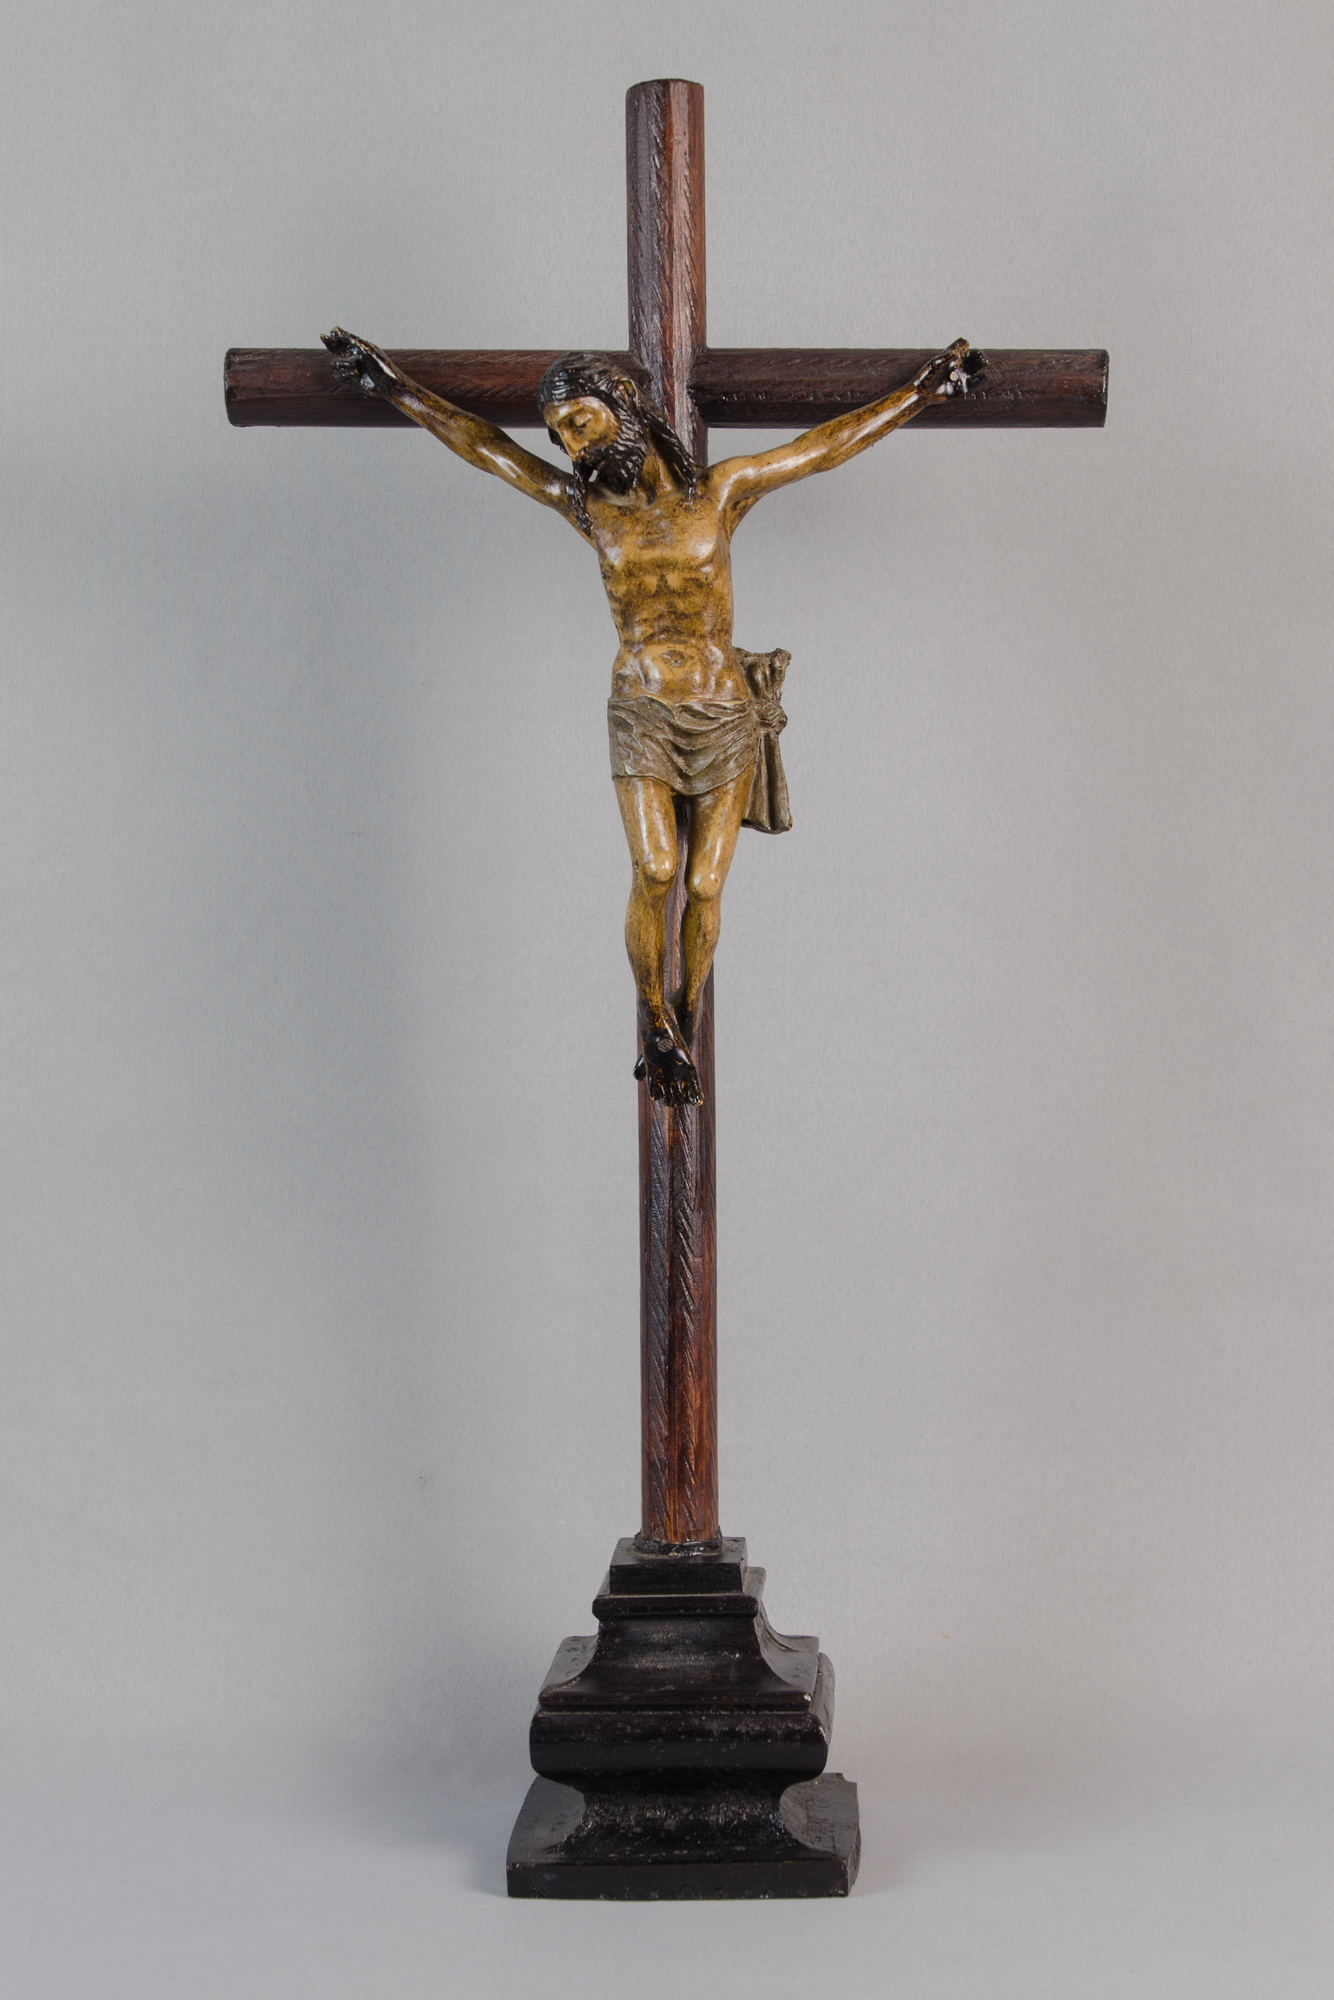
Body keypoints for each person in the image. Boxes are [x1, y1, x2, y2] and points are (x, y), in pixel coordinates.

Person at [322, 328, 983, 1103]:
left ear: (625, 405)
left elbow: (821, 449)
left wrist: (920, 393)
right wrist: (395, 387)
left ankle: (688, 1012)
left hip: (721, 709)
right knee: (657, 868)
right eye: (560, 435)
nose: (572, 448)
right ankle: (654, 1018)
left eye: (580, 423)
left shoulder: (720, 493)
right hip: (641, 708)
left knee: (703, 884)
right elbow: (487, 447)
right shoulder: (587, 507)